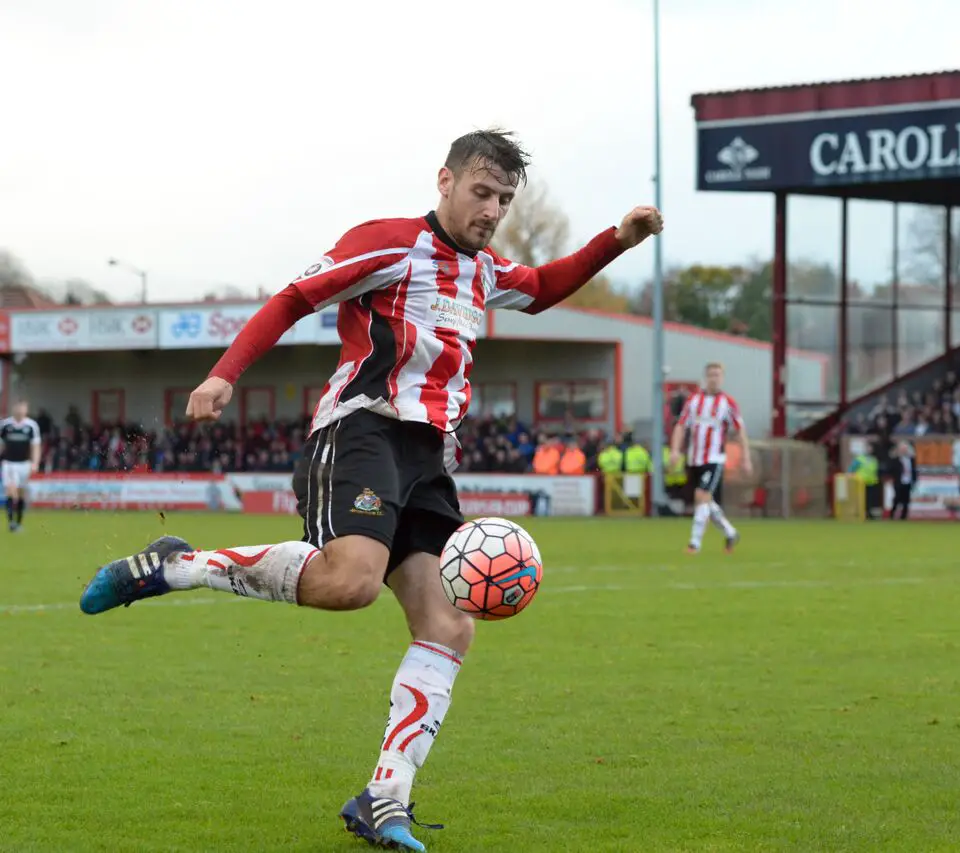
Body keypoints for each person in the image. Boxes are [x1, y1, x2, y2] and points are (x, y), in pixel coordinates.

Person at [77, 129, 663, 852]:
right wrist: (225, 372)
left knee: (450, 625)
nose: (491, 210)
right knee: (350, 583)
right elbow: (294, 298)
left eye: (504, 199)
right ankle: (177, 565)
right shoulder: (388, 244)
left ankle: (384, 797)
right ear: (443, 181)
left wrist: (618, 239)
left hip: (429, 459)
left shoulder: (482, 272)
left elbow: (540, 289)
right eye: (481, 192)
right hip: (361, 432)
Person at [669, 362, 752, 553]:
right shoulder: (693, 401)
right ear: (705, 378)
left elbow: (740, 430)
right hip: (694, 458)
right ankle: (730, 533)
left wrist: (745, 457)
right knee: (705, 501)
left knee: (701, 496)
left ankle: (694, 543)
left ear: (722, 378)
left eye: (718, 375)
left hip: (714, 459)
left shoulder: (727, 403)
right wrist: (675, 450)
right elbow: (681, 426)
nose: (714, 379)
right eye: (711, 375)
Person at [0, 399, 41, 532]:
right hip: (9, 463)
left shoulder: (31, 426)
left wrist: (35, 463)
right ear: (14, 408)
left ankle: (18, 522)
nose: (20, 410)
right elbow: (1, 445)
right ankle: (11, 522)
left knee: (21, 493)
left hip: (24, 464)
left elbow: (35, 446)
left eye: (22, 407)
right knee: (11, 491)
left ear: (26, 409)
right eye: (18, 407)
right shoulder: (6, 425)